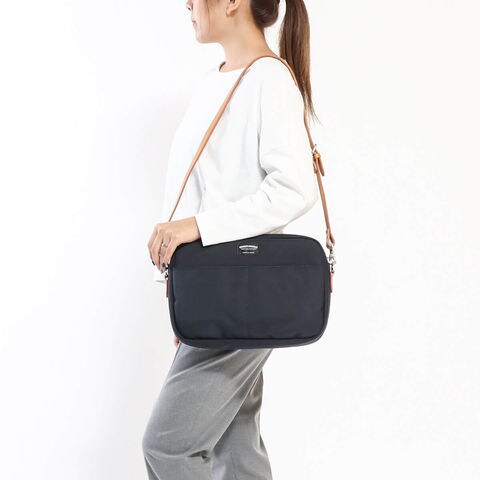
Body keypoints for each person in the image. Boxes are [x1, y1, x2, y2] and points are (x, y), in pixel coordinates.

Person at [144, 0, 320, 478]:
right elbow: (204, 186)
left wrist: (196, 227)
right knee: (235, 448)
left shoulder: (269, 80)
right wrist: (184, 292)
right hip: (215, 293)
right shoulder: (216, 80)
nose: (187, 3)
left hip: (241, 292)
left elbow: (294, 189)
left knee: (168, 447)